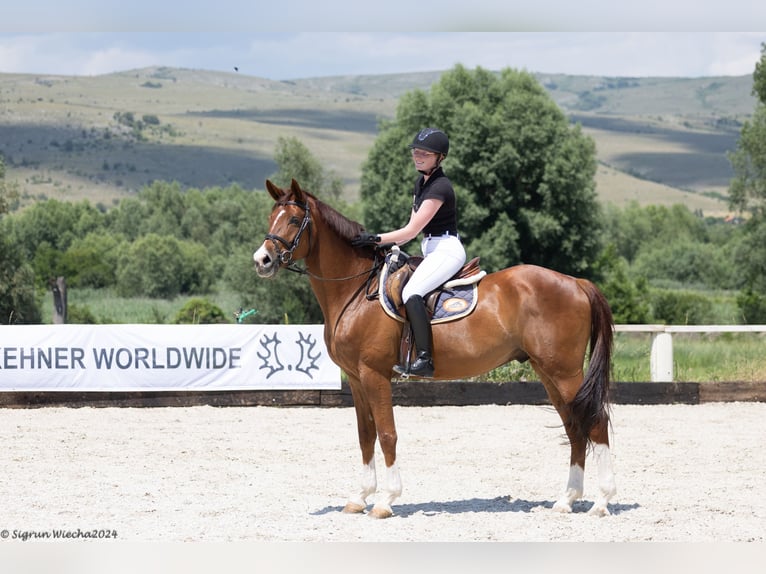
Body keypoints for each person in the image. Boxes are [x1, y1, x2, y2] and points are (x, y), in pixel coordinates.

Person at [352, 127, 466, 378]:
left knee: (412, 292)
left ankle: (425, 358)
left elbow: (412, 230)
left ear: (440, 157)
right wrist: (382, 244)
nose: (418, 156)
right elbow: (409, 232)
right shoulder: (421, 182)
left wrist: (376, 238)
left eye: (425, 153)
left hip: (446, 250)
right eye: (416, 151)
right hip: (431, 248)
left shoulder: (441, 187)